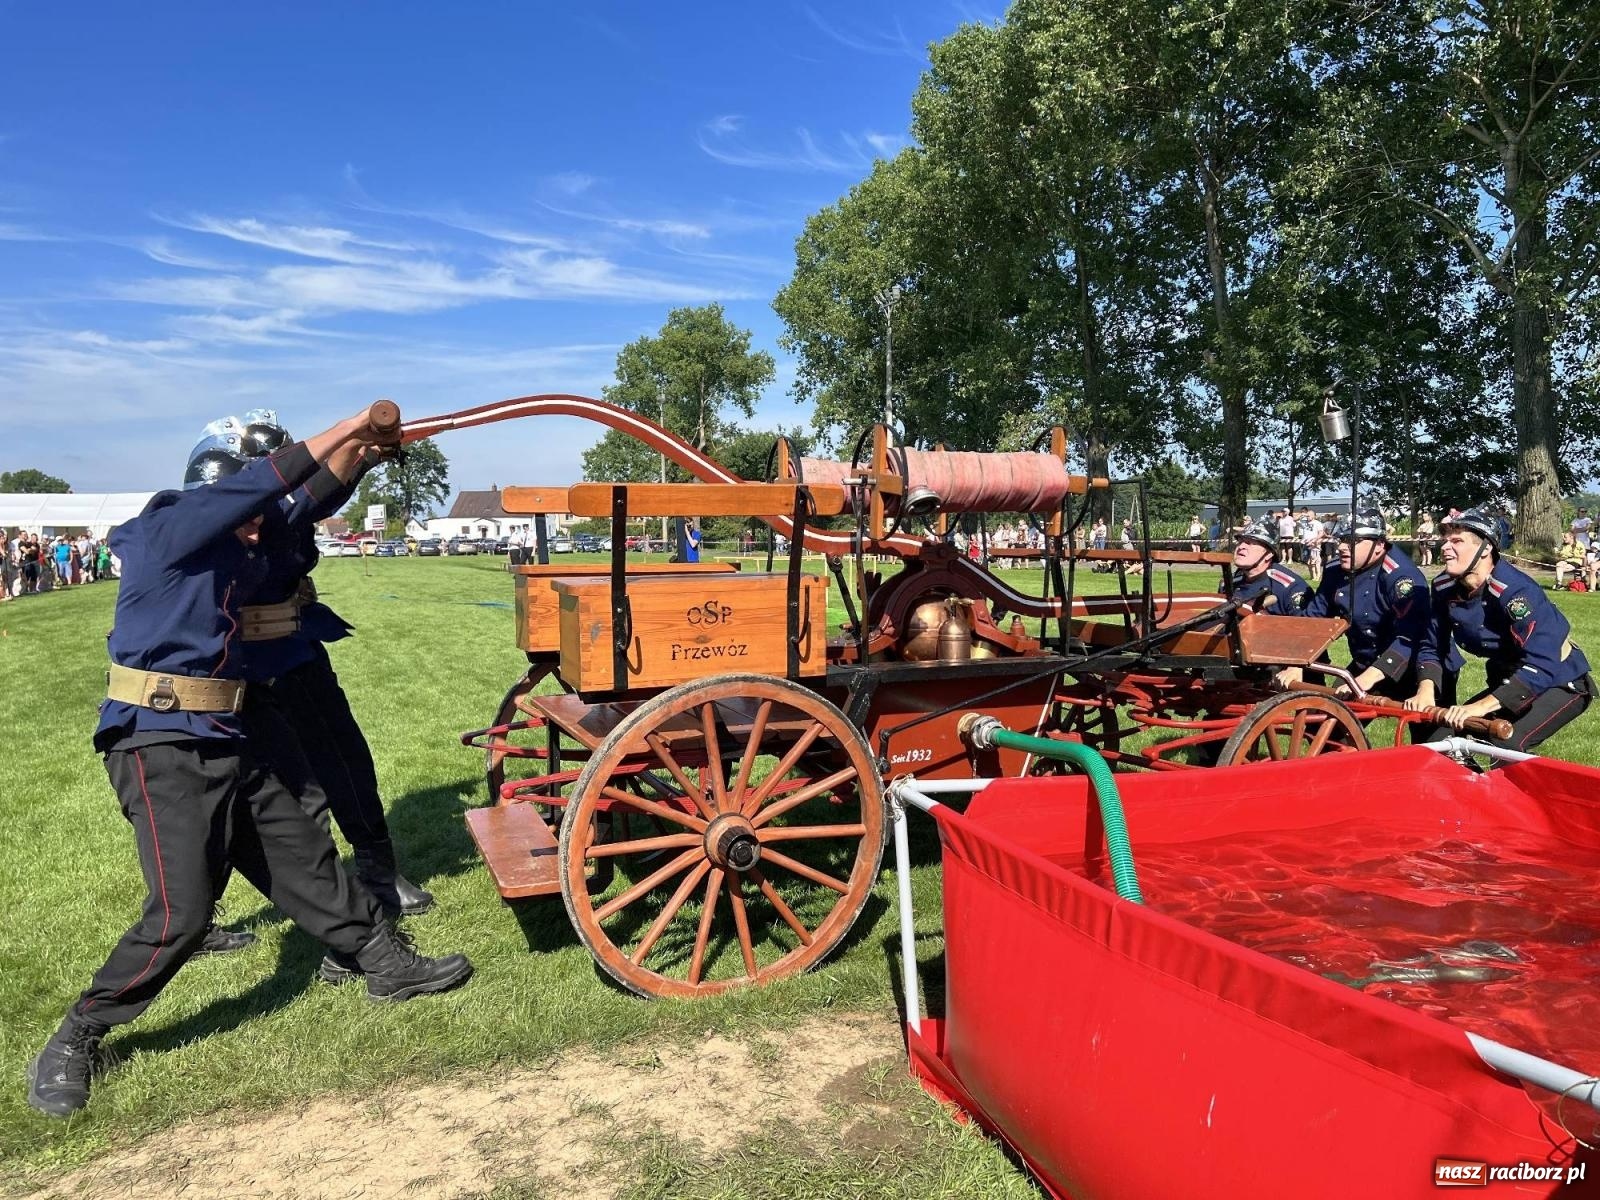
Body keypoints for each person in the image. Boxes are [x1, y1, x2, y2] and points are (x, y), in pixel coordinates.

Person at [26, 407, 473, 1119]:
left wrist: (365, 449)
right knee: (182, 913)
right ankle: (80, 1032)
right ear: (219, 497)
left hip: (232, 727)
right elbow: (271, 483)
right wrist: (351, 421)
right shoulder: (169, 526)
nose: (262, 523)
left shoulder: (239, 545)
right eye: (248, 509)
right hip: (159, 740)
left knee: (303, 852)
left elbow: (301, 501)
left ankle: (382, 965)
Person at [1407, 509, 1593, 751]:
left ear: (1485, 549)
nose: (1444, 547)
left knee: (1507, 742)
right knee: (1445, 738)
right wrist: (1426, 689)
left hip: (1560, 680)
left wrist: (1480, 707)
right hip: (1510, 676)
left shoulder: (1515, 592)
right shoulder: (1444, 587)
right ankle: (1467, 786)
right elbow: (1432, 644)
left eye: (1457, 541)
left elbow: (1542, 664)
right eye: (1445, 540)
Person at [1275, 508, 1456, 704]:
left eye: (1353, 541)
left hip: (1419, 668)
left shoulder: (1402, 577)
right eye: (1341, 540)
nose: (1343, 547)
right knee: (1330, 720)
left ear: (1379, 544)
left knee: (1434, 734)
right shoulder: (1335, 570)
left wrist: (1367, 679)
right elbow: (1313, 620)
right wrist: (1297, 664)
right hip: (1367, 661)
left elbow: (1410, 636)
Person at [1222, 521, 1309, 613]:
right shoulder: (1229, 583)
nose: (1241, 546)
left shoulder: (1290, 588)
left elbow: (1304, 625)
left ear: (1268, 554)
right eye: (1240, 542)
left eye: (1250, 543)